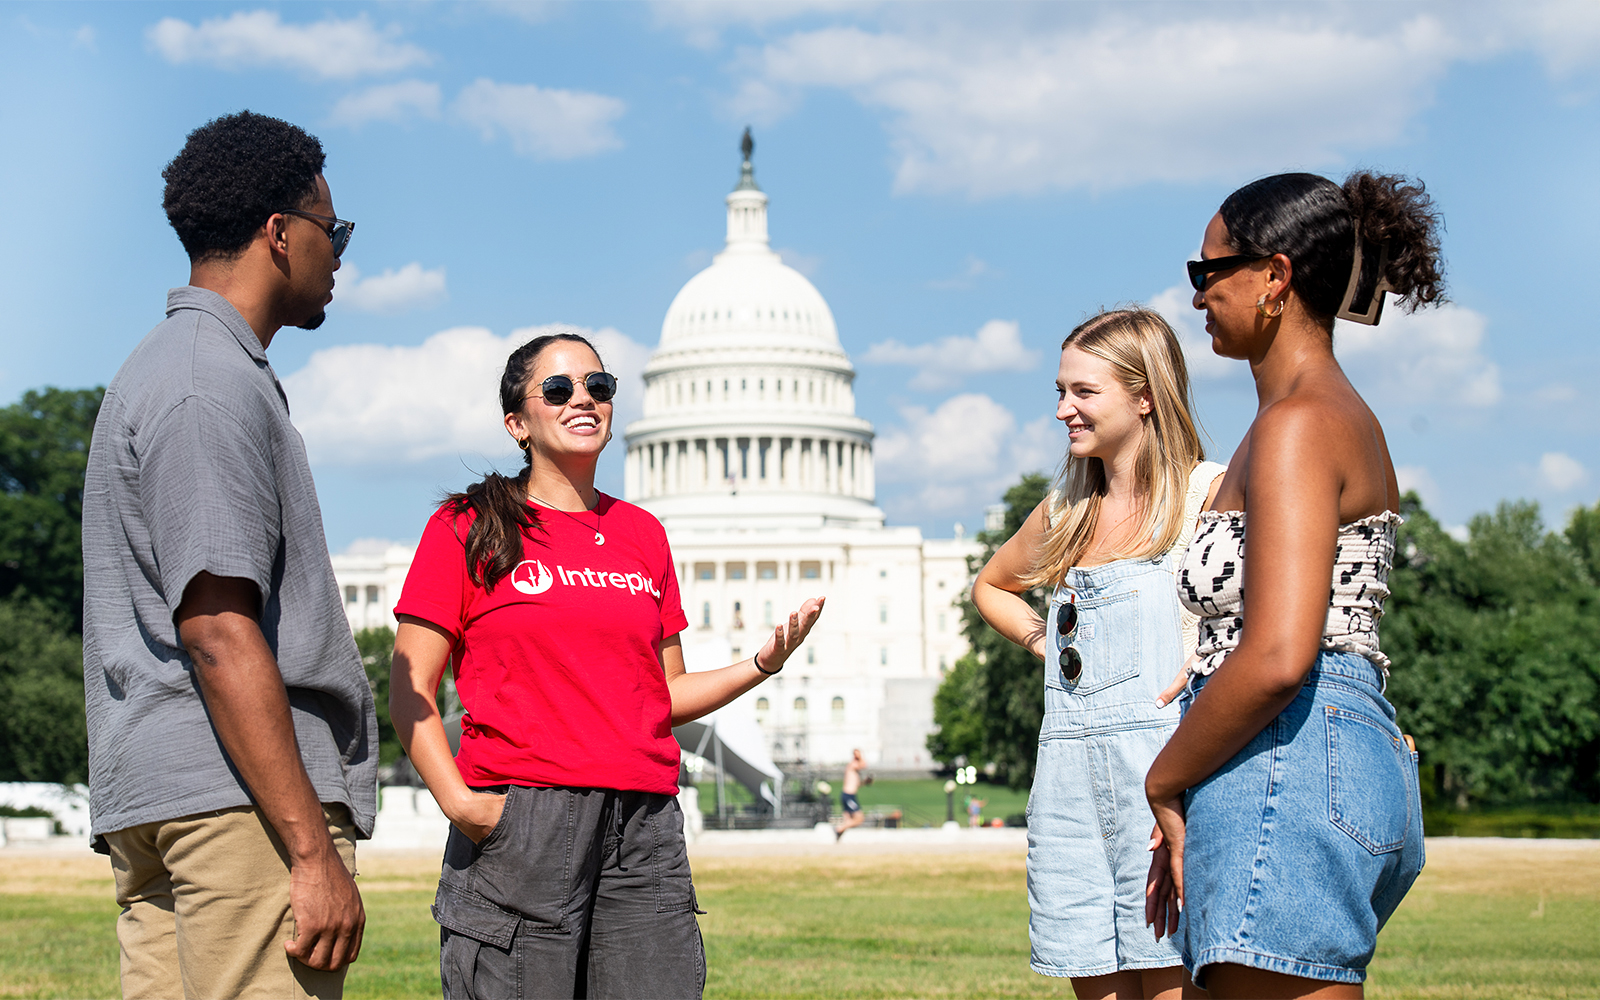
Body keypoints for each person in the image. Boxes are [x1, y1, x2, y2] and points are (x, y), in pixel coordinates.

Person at [389, 332, 823, 1000]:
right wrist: (463, 805)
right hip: (524, 817)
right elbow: (410, 685)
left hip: (643, 825)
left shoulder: (642, 534)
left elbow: (666, 695)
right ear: (517, 422)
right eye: (558, 390)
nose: (583, 400)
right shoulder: (468, 525)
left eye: (599, 386)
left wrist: (762, 663)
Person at [81, 111, 376, 999]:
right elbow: (215, 626)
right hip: (233, 804)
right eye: (336, 230)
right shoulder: (210, 383)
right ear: (281, 234)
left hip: (162, 795)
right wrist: (308, 846)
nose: (341, 254)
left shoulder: (164, 367)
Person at [1145, 172, 1442, 998]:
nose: (1197, 295)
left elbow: (1278, 654)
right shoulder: (1317, 418)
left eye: (1210, 272)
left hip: (1289, 756)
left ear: (1273, 277)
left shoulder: (1298, 425)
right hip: (1327, 750)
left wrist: (1163, 778)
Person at [972, 308, 1225, 1000]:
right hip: (1068, 783)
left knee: (1174, 979)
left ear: (1146, 395)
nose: (1063, 410)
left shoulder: (1209, 495)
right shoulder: (1065, 508)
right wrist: (1040, 642)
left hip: (1165, 775)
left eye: (1084, 392)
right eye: (1060, 391)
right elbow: (991, 586)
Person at [834, 748, 870, 840]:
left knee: (848, 819)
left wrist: (865, 782)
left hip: (849, 795)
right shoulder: (853, 765)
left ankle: (839, 835)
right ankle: (838, 829)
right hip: (848, 796)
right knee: (859, 818)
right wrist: (861, 756)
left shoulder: (855, 770)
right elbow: (864, 765)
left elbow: (856, 784)